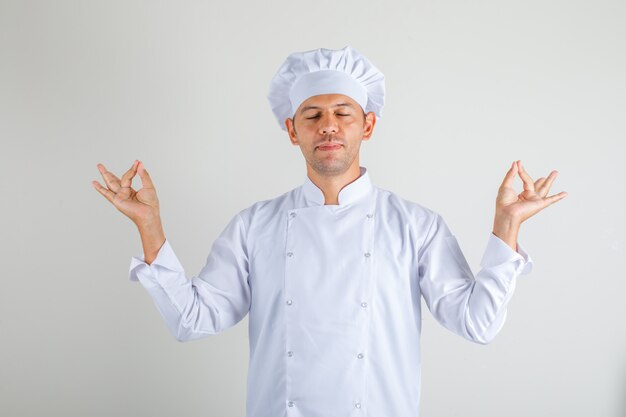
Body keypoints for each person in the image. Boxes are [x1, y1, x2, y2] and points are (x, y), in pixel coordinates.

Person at [92, 46, 567, 417]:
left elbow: (476, 323)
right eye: (312, 115)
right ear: (292, 129)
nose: (329, 127)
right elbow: (193, 320)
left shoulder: (415, 225)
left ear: (369, 125)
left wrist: (507, 224)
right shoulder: (255, 225)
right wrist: (149, 225)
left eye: (344, 113)